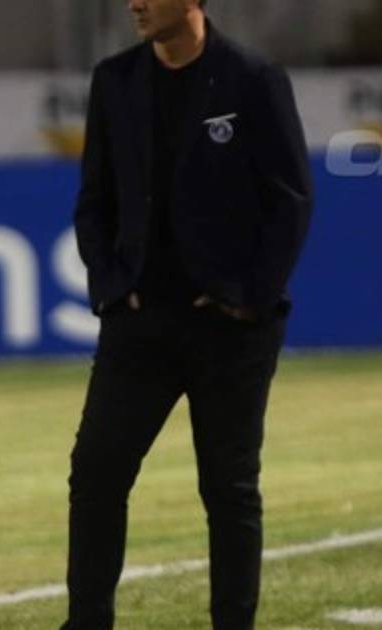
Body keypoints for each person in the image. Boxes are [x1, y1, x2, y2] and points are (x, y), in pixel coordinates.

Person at [61, 0, 312, 628]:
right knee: (96, 473)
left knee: (228, 489)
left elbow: (290, 201)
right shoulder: (114, 81)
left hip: (230, 329)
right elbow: (94, 203)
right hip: (139, 323)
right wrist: (112, 288)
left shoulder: (254, 79)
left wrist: (247, 298)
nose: (135, 3)